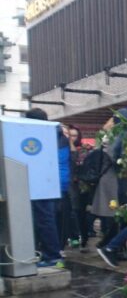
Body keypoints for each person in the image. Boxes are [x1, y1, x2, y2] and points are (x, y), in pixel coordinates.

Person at [91, 109, 127, 267]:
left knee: (120, 216)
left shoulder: (110, 134)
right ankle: (110, 246)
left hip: (113, 180)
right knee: (121, 215)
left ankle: (109, 245)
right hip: (117, 180)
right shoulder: (121, 134)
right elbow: (117, 155)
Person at [25, 109, 67, 268]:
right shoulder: (54, 134)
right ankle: (49, 254)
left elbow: (55, 162)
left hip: (46, 184)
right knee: (44, 220)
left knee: (45, 219)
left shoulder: (49, 135)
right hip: (47, 183)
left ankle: (53, 256)